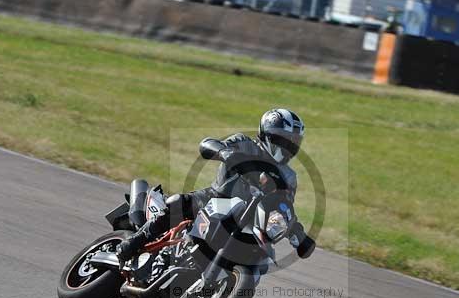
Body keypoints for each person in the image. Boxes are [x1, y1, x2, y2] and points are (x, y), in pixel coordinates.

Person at [116, 108, 315, 265]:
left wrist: (296, 230)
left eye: (293, 143)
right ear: (268, 135)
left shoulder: (289, 177)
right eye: (283, 140)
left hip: (248, 221)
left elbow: (283, 206)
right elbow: (207, 144)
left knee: (259, 250)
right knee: (179, 202)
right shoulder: (245, 143)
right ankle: (136, 241)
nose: (287, 147)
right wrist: (224, 152)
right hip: (214, 198)